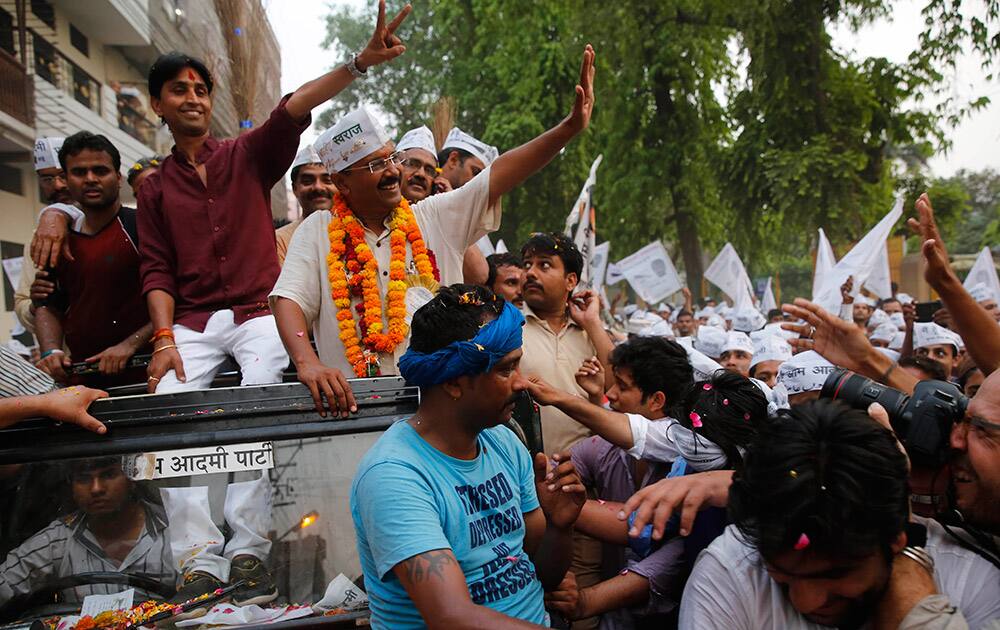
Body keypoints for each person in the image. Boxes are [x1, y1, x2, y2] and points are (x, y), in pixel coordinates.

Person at [271, 43, 595, 415]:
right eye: (376, 166)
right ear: (342, 183)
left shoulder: (433, 216)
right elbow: (289, 299)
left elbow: (500, 173)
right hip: (355, 412)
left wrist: (567, 129)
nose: (394, 171)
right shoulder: (318, 231)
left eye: (393, 158)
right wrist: (306, 361)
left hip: (443, 411)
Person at [350, 285, 585, 628]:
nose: (521, 383)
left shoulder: (504, 441)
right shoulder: (394, 476)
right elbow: (452, 617)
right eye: (506, 369)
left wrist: (561, 528)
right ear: (454, 383)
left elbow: (542, 575)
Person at [678, 400, 1000, 629]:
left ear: (896, 539)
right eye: (781, 575)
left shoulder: (975, 581)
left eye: (835, 574)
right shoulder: (730, 572)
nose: (807, 601)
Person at [32, 132, 151, 387]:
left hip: (147, 376)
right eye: (79, 172)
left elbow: (177, 298)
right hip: (82, 382)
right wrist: (51, 351)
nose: (90, 179)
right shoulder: (57, 238)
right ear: (66, 179)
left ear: (118, 178)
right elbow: (47, 303)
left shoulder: (143, 227)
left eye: (100, 170)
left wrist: (128, 346)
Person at [0, 457, 174, 605]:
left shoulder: (174, 529)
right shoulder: (58, 540)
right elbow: (5, 585)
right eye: (83, 479)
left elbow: (198, 588)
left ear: (132, 479)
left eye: (109, 475)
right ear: (72, 488)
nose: (96, 488)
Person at [518, 233, 612, 454]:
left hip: (588, 473)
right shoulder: (510, 329)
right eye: (527, 265)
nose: (530, 273)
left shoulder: (590, 333)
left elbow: (618, 386)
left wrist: (593, 323)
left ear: (570, 280)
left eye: (544, 265)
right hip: (530, 472)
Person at [13, 137, 71, 333]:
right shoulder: (36, 238)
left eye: (63, 175)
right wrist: (37, 303)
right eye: (47, 179)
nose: (58, 185)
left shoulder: (119, 225)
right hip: (65, 358)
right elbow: (22, 304)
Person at [437, 127, 500, 285]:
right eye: (476, 172)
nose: (478, 183)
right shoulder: (419, 197)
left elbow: (480, 276)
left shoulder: (470, 214)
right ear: (453, 160)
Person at [276, 145, 335, 266]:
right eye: (308, 181)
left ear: (340, 184)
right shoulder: (280, 240)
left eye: (327, 180)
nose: (318, 187)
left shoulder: (361, 231)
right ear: (295, 188)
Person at [396, 125, 452, 202]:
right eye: (412, 164)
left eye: (429, 170)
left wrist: (449, 202)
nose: (421, 174)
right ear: (395, 166)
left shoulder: (437, 212)